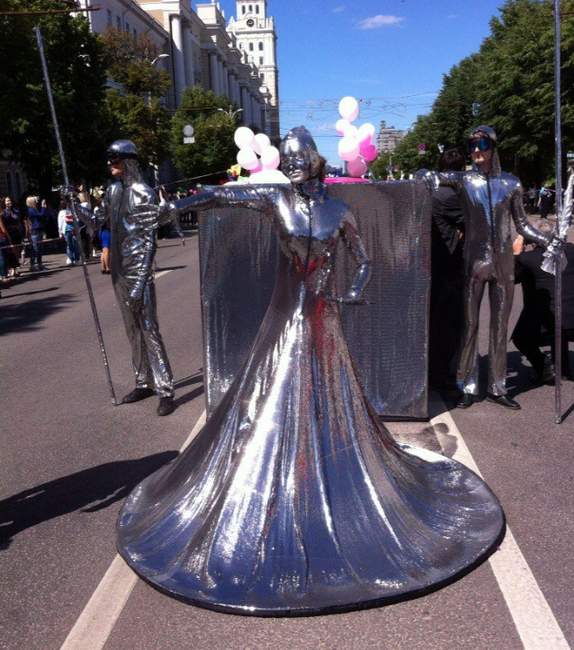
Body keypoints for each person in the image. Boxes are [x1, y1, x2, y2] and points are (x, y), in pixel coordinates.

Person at [115, 126, 504, 616]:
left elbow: (363, 261)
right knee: (272, 395)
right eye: (288, 157)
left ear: (317, 161)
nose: (294, 163)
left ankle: (328, 475)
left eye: (301, 156)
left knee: (327, 396)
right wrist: (178, 206)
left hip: (323, 318)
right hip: (283, 318)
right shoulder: (275, 200)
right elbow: (221, 195)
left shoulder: (338, 212)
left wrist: (355, 288)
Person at [422, 126, 557, 410]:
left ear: (493, 147)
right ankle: (467, 384)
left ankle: (498, 386)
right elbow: (428, 176)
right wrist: (428, 175)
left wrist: (548, 240)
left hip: (503, 264)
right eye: (471, 145)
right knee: (469, 325)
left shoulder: (511, 183)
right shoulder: (464, 181)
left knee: (499, 326)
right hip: (474, 262)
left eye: (482, 144)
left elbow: (522, 224)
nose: (476, 150)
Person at [73, 140, 175, 416]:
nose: (110, 163)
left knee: (149, 329)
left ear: (129, 160)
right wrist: (75, 205)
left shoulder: (144, 194)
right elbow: (96, 221)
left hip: (138, 272)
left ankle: (165, 389)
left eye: (114, 158)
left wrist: (141, 282)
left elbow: (149, 242)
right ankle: (143, 381)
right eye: (108, 159)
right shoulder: (113, 190)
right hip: (118, 271)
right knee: (132, 329)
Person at [512, 220, 574, 383]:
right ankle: (563, 369)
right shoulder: (570, 249)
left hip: (547, 323)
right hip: (571, 320)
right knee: (559, 320)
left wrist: (517, 254)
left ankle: (545, 368)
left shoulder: (526, 259)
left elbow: (510, 279)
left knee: (520, 338)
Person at [428, 147, 466, 392]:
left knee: (438, 322)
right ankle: (440, 375)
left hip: (436, 264)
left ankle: (436, 372)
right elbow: (474, 222)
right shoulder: (450, 197)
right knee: (449, 323)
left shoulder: (433, 191)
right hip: (449, 266)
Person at [26, 196, 48, 271]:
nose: (36, 202)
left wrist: (44, 208)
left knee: (40, 248)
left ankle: (39, 264)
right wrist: (43, 207)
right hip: (35, 231)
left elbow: (43, 215)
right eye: (34, 201)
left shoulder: (35, 209)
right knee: (35, 249)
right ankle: (32, 265)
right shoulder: (31, 210)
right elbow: (41, 214)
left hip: (40, 230)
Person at [57, 199, 80, 266]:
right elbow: (60, 222)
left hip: (75, 230)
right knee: (69, 245)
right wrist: (60, 232)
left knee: (75, 244)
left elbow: (78, 220)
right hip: (66, 230)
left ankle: (76, 259)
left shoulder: (74, 211)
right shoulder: (62, 212)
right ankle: (70, 258)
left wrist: (71, 220)